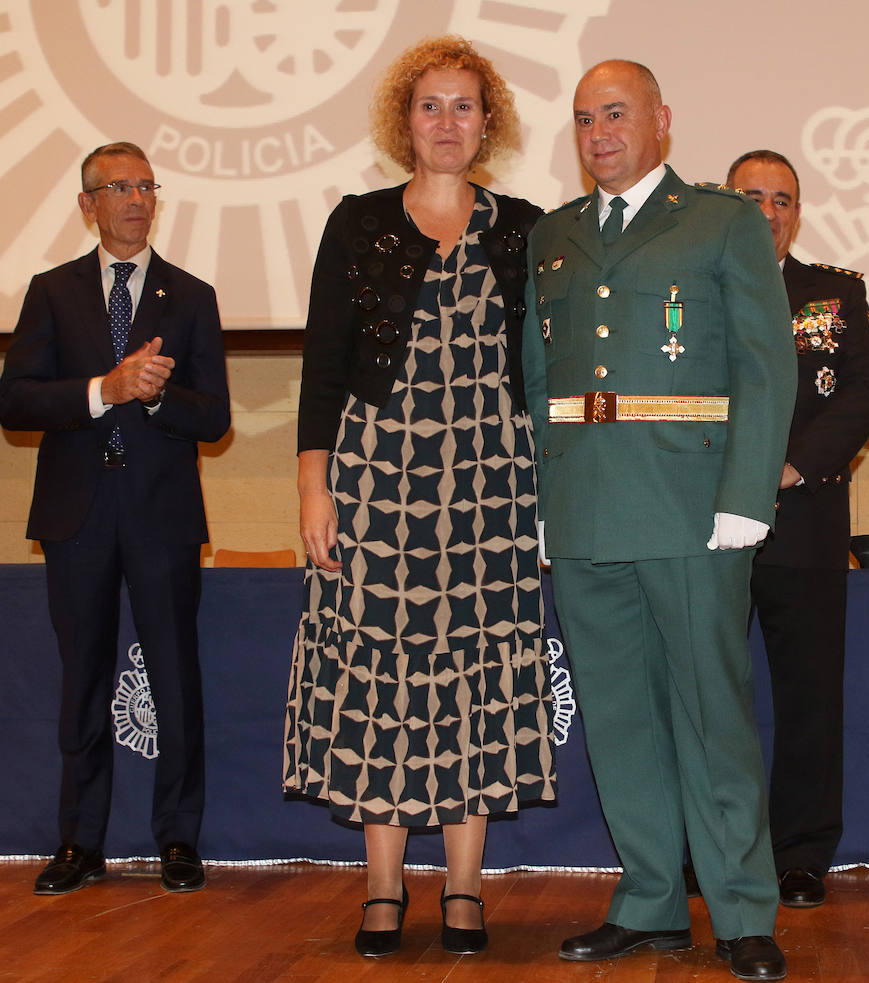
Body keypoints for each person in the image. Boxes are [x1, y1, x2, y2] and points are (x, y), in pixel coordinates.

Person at [282, 35, 556, 958]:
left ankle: (467, 889)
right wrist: (314, 488)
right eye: (430, 105)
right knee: (380, 678)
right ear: (406, 120)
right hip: (376, 482)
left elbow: (550, 373)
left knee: (476, 672)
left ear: (490, 121)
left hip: (492, 485)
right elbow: (323, 365)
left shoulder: (525, 227)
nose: (447, 122)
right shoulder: (356, 223)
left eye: (465, 106)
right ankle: (385, 887)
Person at [523, 61, 796, 981]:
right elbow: (539, 382)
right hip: (587, 505)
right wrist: (544, 505)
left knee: (711, 712)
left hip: (690, 507)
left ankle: (743, 909)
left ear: (661, 121)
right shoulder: (553, 237)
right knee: (618, 715)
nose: (599, 132)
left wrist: (745, 498)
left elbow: (766, 365)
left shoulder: (721, 221)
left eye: (616, 114)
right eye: (585, 119)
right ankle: (649, 902)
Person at [0, 142, 230, 896]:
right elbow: (16, 401)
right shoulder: (51, 291)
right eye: (118, 186)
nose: (135, 197)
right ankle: (80, 840)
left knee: (175, 682)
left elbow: (216, 417)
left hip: (161, 516)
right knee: (83, 681)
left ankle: (177, 838)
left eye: (145, 185)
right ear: (86, 204)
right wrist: (106, 387)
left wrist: (157, 395)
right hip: (77, 515)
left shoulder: (190, 295)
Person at [725, 149, 869, 908]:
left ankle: (801, 854)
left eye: (782, 198)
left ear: (798, 211)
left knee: (810, 699)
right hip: (708, 524)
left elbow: (862, 393)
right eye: (750, 196)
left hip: (804, 519)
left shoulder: (834, 294)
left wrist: (789, 468)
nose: (768, 210)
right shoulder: (689, 285)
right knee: (708, 695)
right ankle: (715, 845)